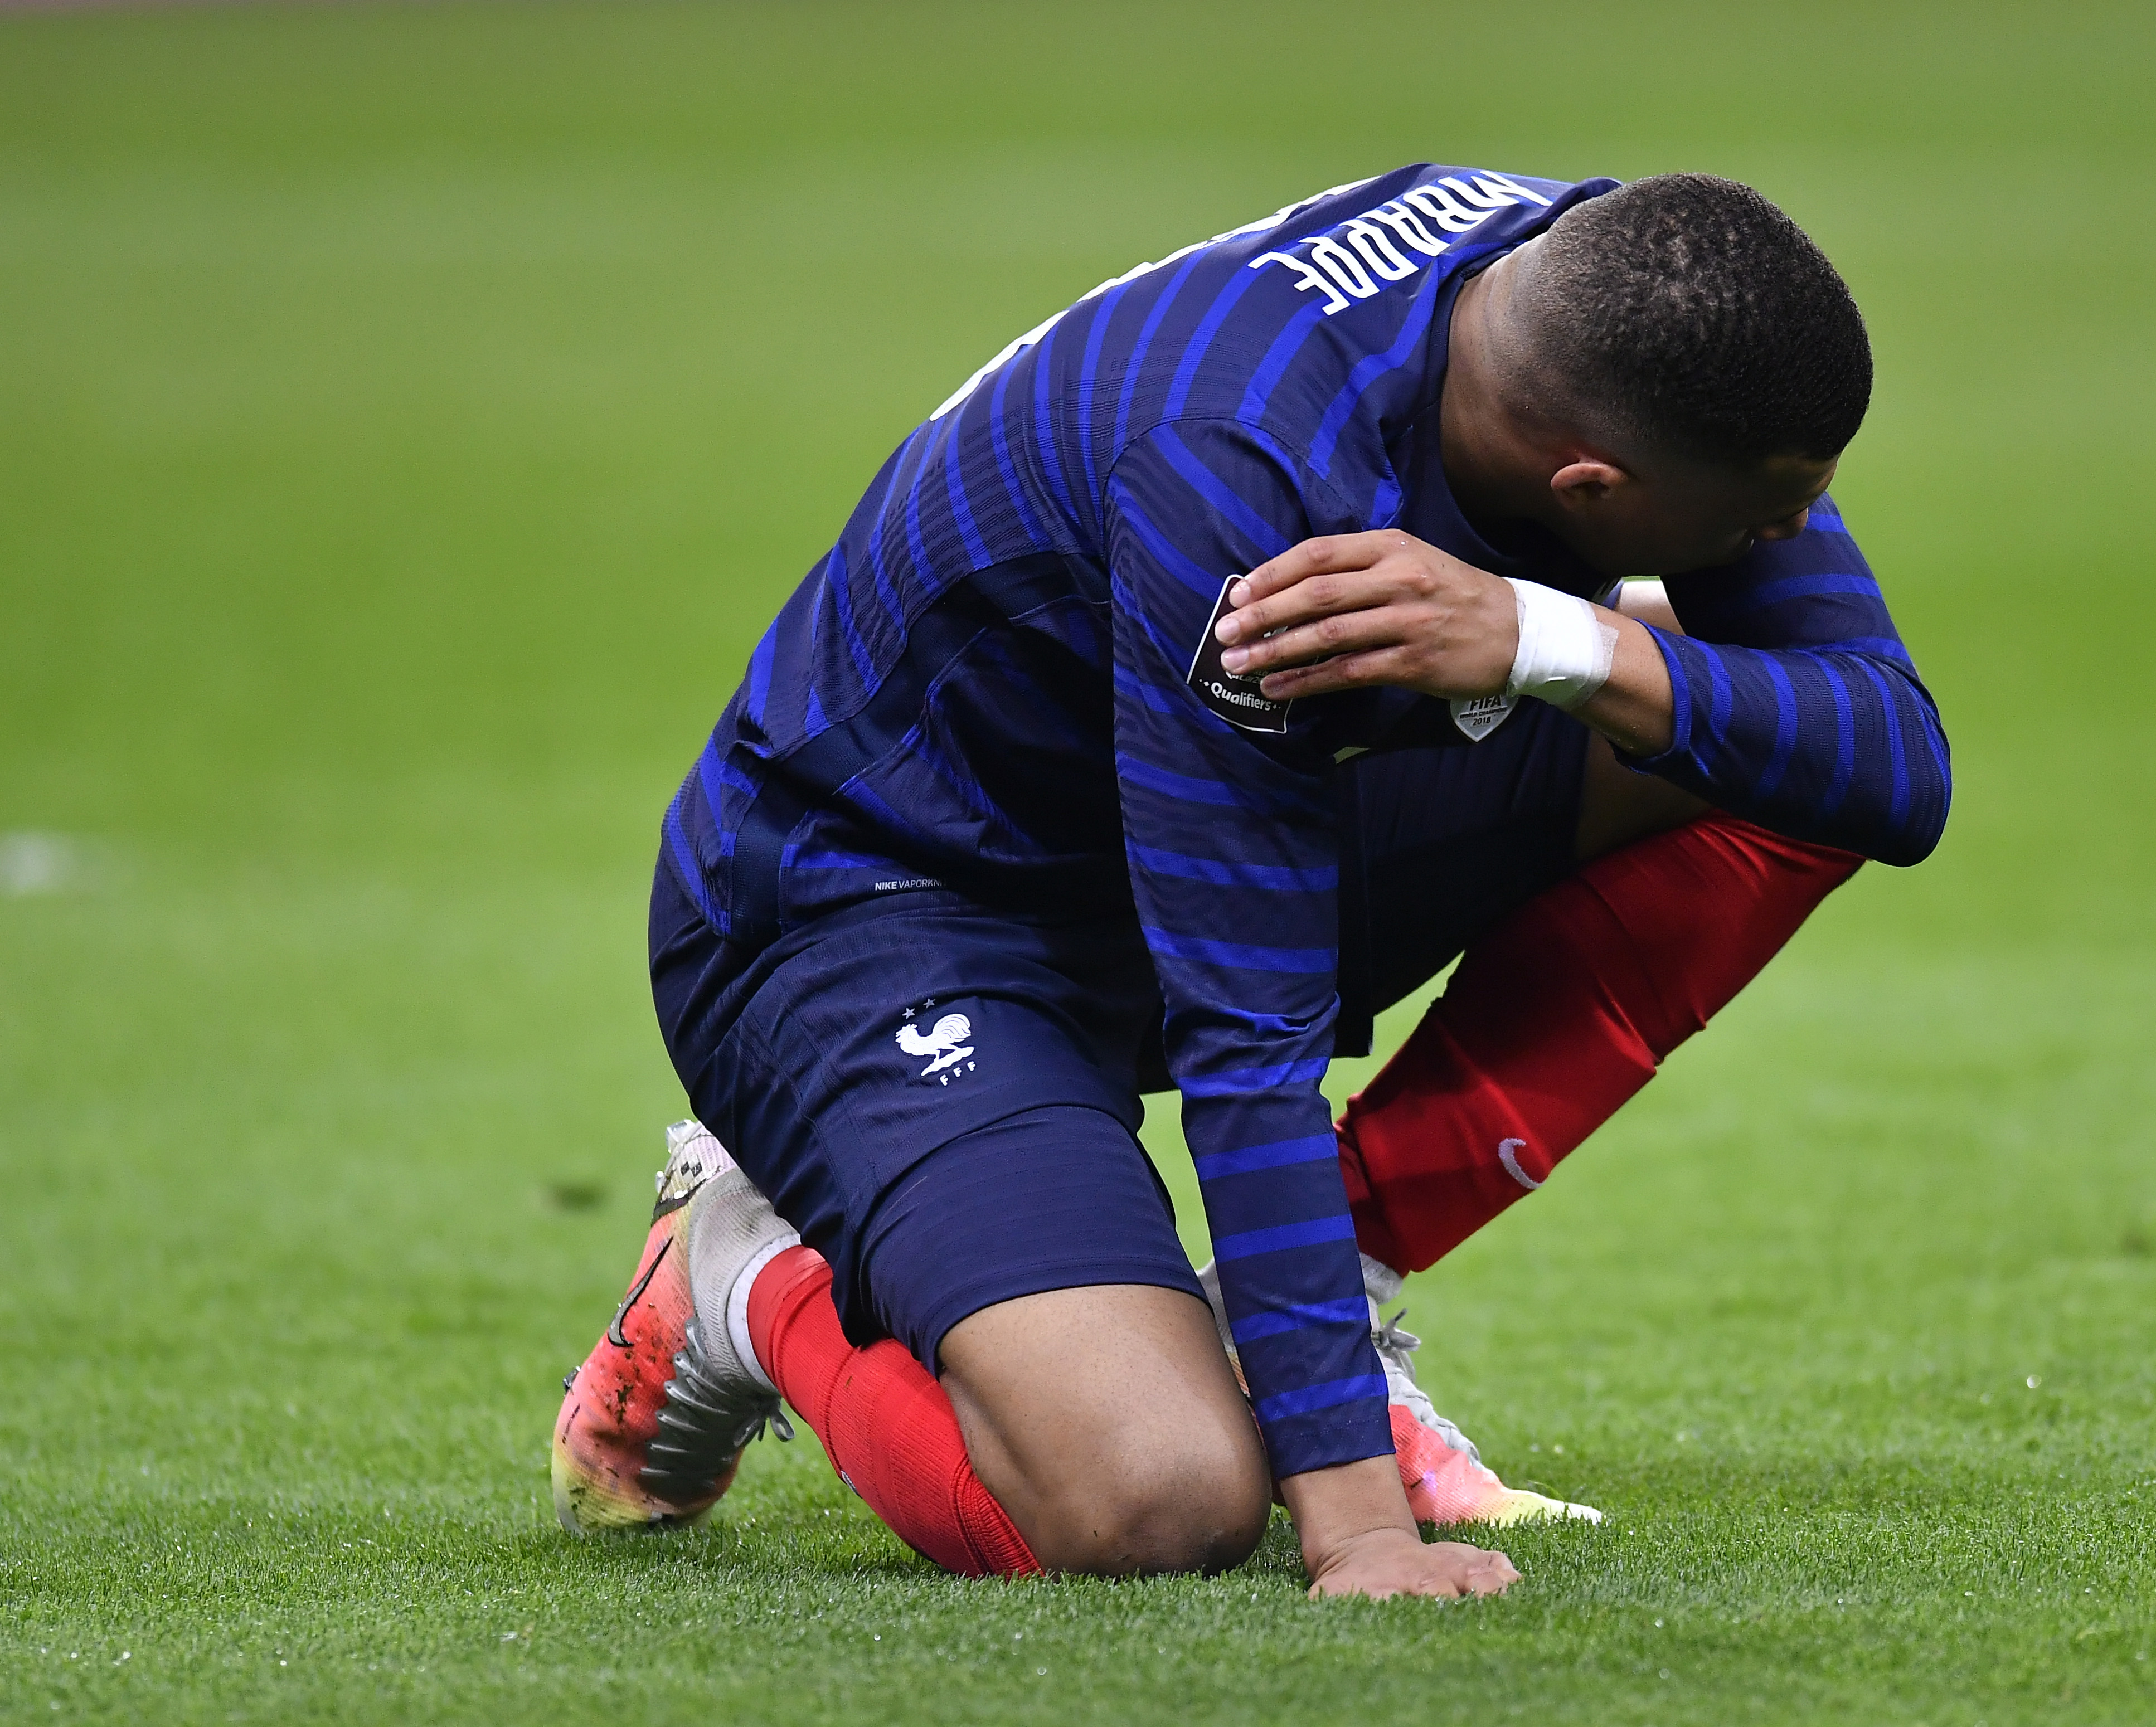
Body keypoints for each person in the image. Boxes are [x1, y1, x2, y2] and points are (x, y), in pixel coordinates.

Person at [548, 166, 1949, 1599]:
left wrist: (1546, 636)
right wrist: (1357, 1532)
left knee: (1758, 755)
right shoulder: (1247, 485)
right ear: (1588, 484)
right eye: (1767, 522)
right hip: (872, 907)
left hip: (1140, 823)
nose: (1787, 544)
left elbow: (1892, 763)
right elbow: (1247, 1021)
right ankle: (740, 1264)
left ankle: (1316, 1285)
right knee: (1156, 1496)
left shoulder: (1588, 292)